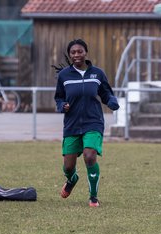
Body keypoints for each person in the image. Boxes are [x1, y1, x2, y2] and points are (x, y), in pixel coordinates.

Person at [54, 39, 120, 207]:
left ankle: (93, 197)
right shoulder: (64, 76)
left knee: (89, 156)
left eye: (80, 51)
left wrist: (112, 101)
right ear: (70, 55)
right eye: (73, 52)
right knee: (68, 167)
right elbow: (59, 97)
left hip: (93, 122)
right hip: (72, 124)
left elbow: (106, 93)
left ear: (86, 52)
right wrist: (62, 105)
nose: (77, 54)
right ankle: (72, 179)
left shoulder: (97, 74)